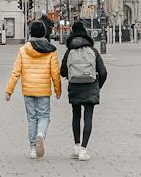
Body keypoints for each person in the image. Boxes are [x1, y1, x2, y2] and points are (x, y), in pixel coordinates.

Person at [6, 19, 61, 159]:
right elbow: (55, 72)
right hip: (43, 90)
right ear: (44, 33)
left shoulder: (23, 49)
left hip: (28, 90)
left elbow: (16, 72)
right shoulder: (50, 50)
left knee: (32, 118)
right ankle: (41, 134)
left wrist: (9, 90)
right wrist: (58, 89)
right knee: (44, 116)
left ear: (30, 33)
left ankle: (32, 148)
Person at [61, 18, 107, 160]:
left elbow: (62, 71)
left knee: (76, 115)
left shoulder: (69, 51)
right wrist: (98, 85)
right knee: (88, 117)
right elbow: (103, 72)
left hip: (75, 86)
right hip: (90, 85)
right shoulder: (92, 50)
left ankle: (76, 146)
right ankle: (83, 150)